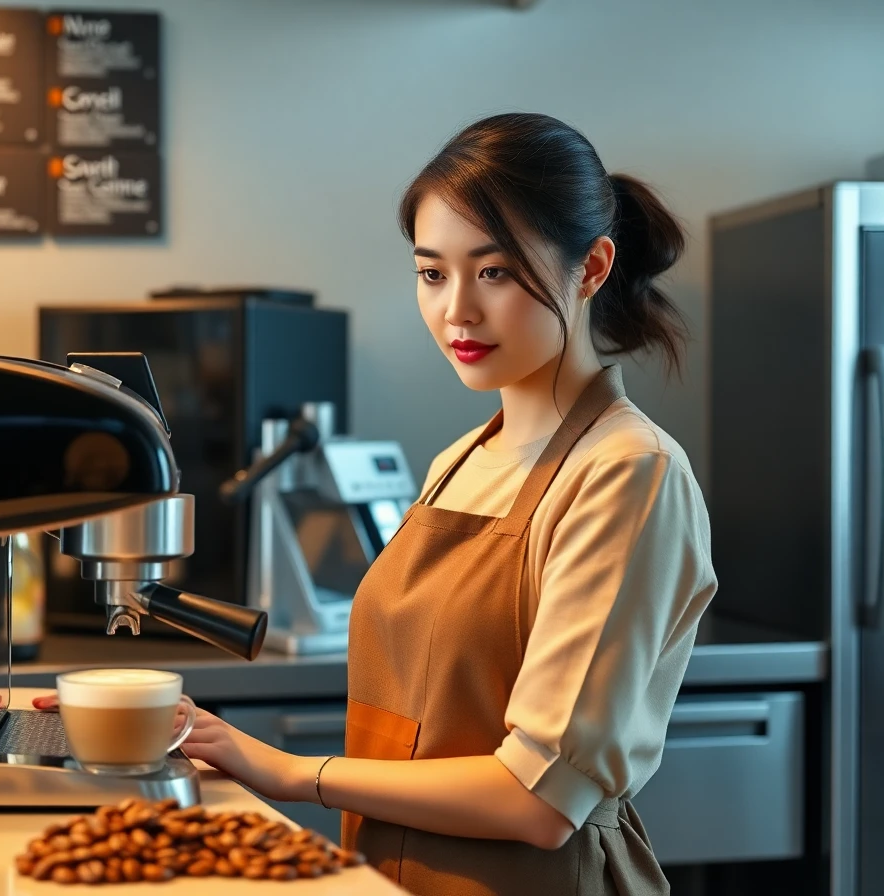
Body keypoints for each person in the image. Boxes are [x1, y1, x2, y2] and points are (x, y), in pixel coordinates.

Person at [38, 112, 718, 896]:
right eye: (433, 273)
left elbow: (539, 800)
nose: (456, 310)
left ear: (593, 267)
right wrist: (205, 733)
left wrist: (292, 773)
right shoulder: (458, 461)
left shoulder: (628, 473)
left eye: (493, 272)